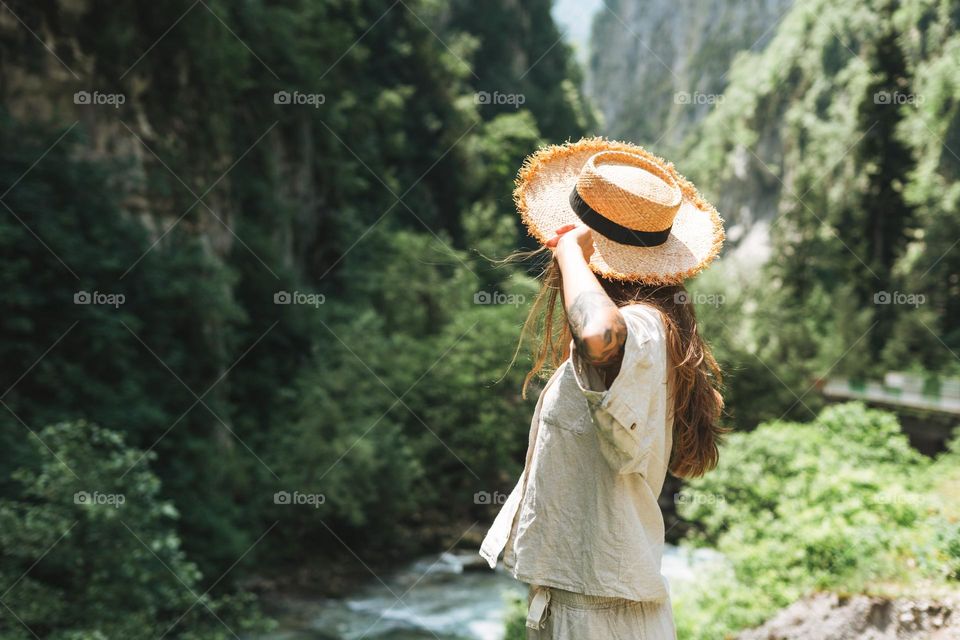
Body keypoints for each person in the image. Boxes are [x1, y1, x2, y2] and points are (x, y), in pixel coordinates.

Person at [479, 138, 728, 639]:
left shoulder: (644, 329)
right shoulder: (657, 334)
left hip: (599, 616)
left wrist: (572, 252)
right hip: (590, 604)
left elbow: (597, 334)